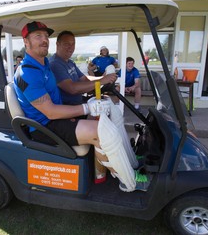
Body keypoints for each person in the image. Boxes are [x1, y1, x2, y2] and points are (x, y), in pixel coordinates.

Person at [13, 21, 148, 192]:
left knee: (110, 113)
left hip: (54, 118)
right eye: (38, 36)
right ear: (26, 41)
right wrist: (87, 108)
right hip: (43, 127)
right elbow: (50, 112)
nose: (44, 40)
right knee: (103, 131)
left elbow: (64, 97)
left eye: (46, 36)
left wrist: (95, 94)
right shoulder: (27, 72)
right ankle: (129, 181)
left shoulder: (43, 64)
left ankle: (131, 162)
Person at [50, 30, 117, 105]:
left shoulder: (70, 62)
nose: (71, 48)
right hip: (69, 108)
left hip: (79, 101)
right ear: (58, 44)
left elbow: (84, 79)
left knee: (109, 101)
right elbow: (72, 89)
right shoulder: (55, 64)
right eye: (67, 44)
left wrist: (104, 78)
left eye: (73, 44)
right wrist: (101, 81)